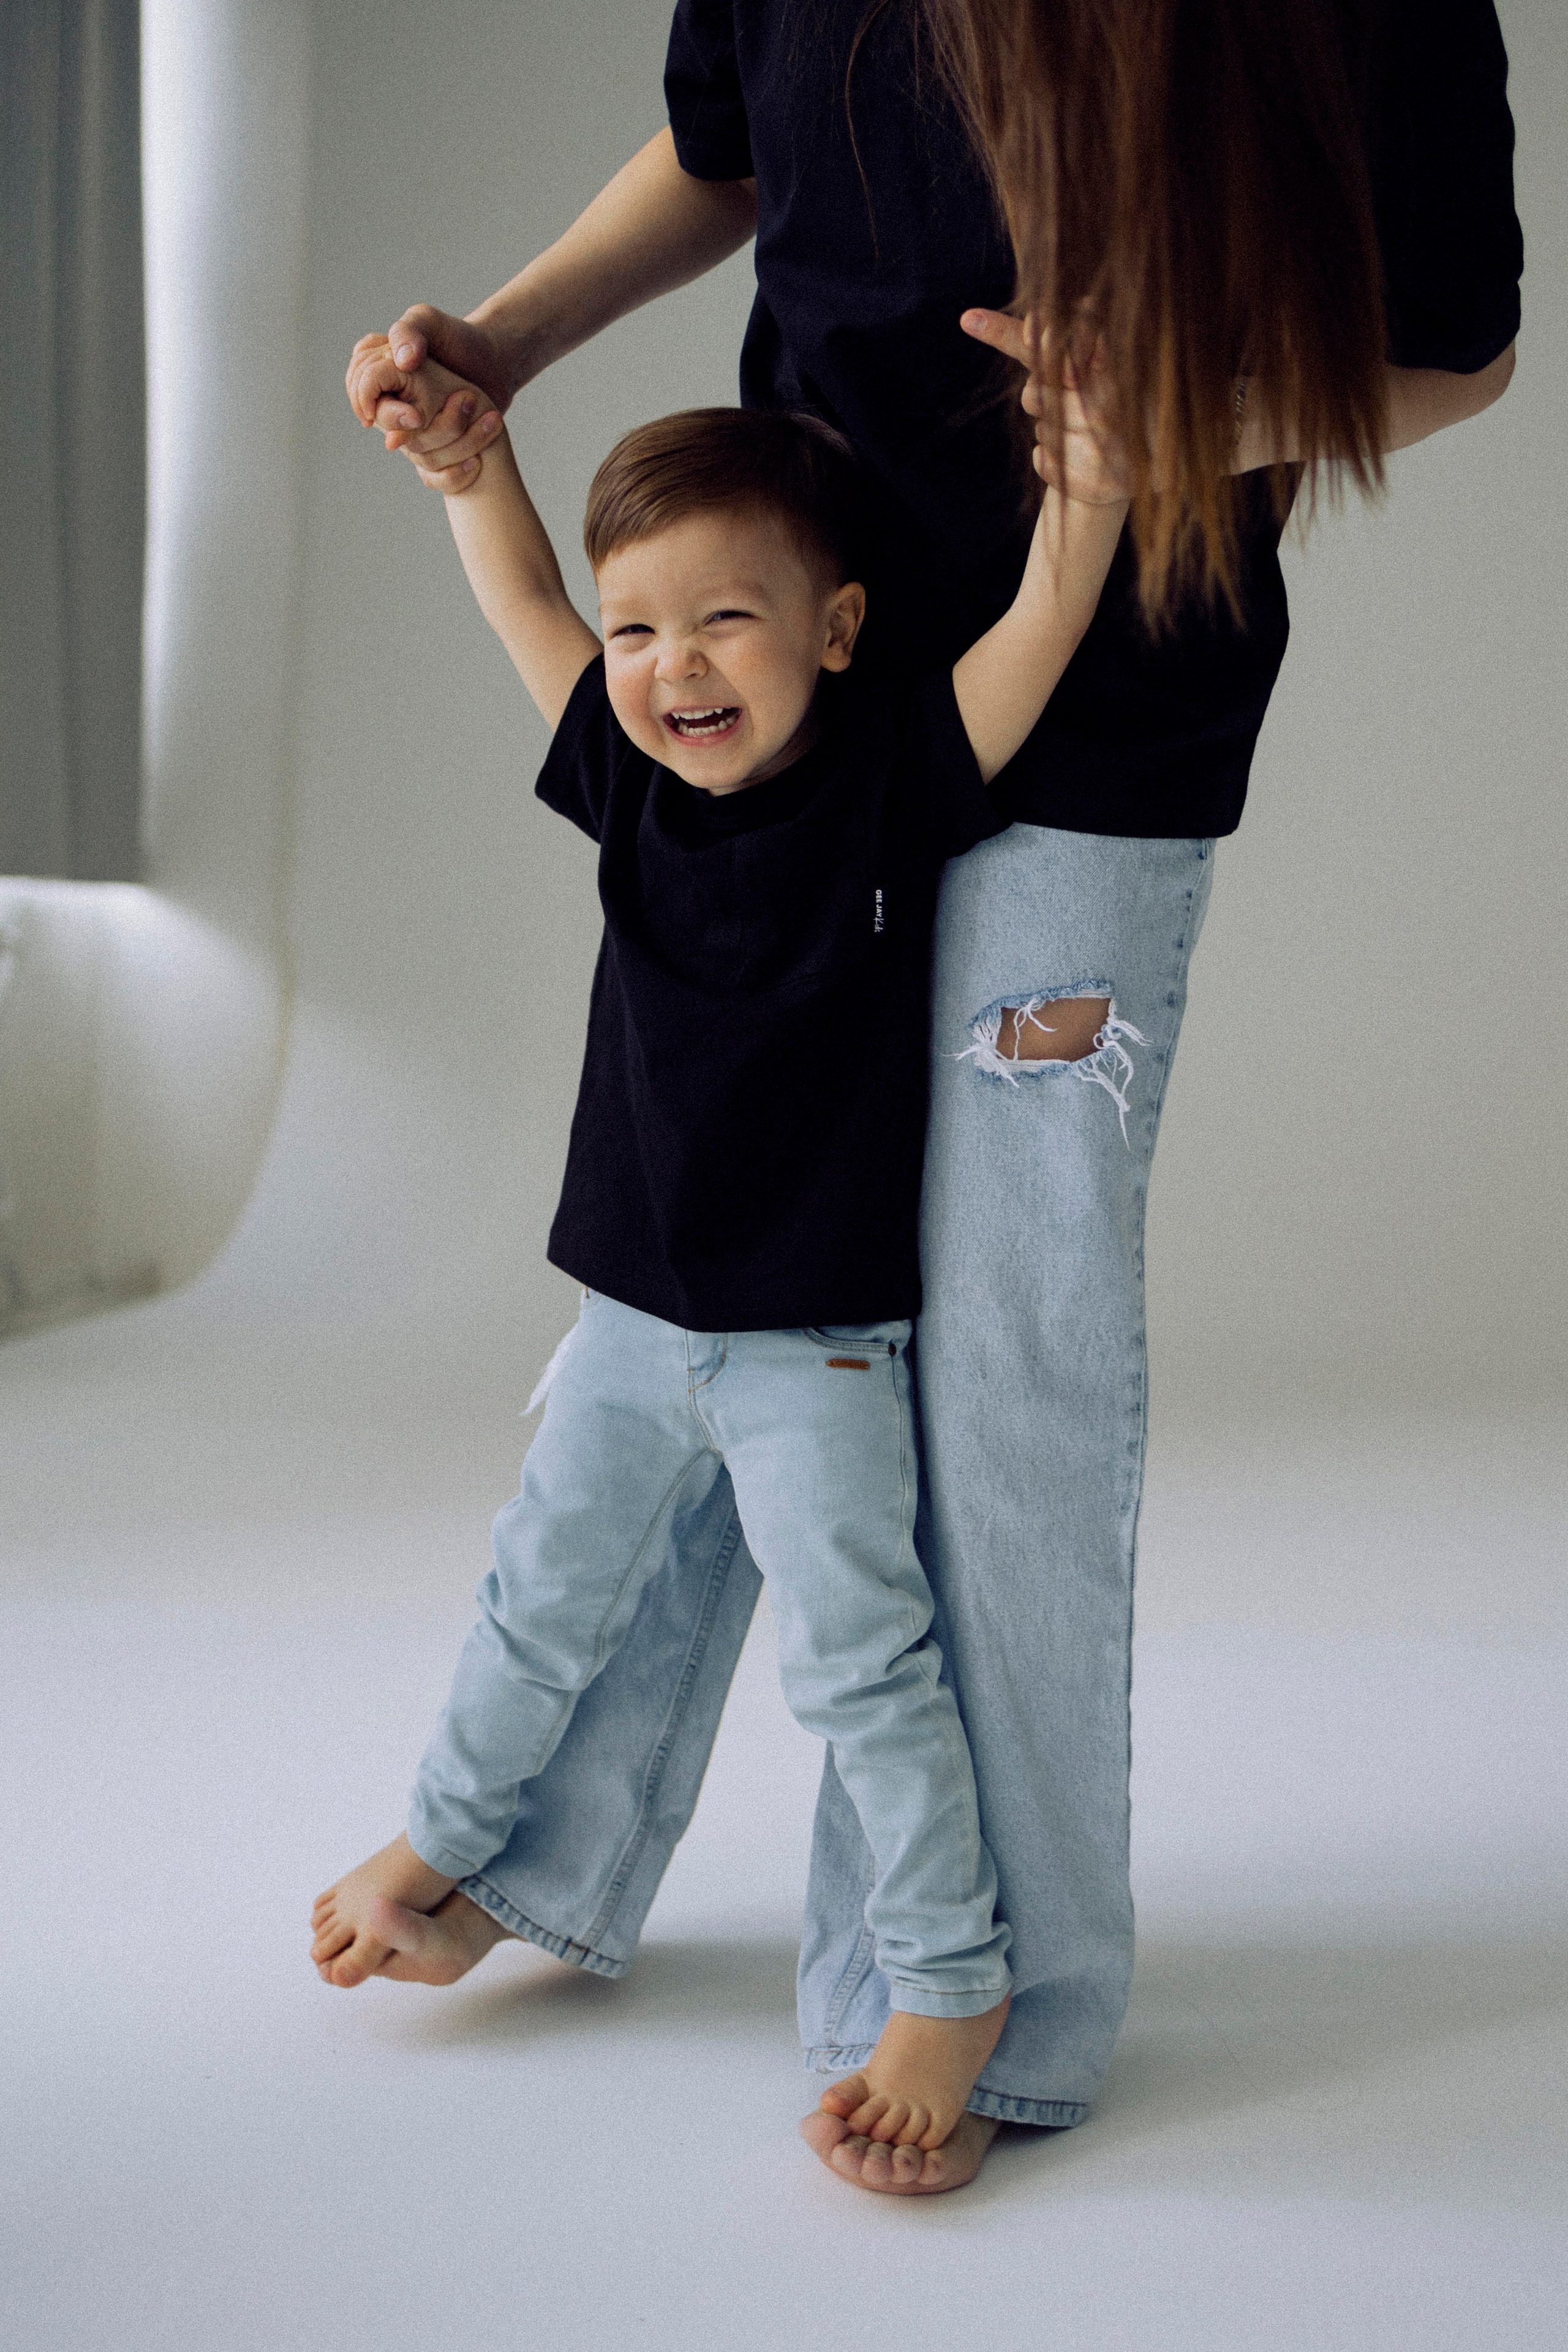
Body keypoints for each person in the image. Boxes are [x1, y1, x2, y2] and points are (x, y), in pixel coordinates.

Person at [342, 0, 1523, 2195]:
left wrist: (1171, 421)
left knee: (1004, 1358)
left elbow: (1459, 336)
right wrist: (497, 351)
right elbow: (725, 151)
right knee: (722, 1293)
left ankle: (988, 1991)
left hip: (1105, 710)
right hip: (796, 683)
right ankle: (535, 1855)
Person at [312, 394, 1134, 2180]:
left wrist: (1091, 496)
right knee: (533, 1606)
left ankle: (950, 1977)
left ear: (834, 633)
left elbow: (1038, 639)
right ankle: (446, 1846)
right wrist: (475, 473)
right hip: (623, 1322)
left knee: (863, 1675)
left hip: (813, 1352)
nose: (670, 665)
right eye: (641, 629)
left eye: (723, 620)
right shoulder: (621, 773)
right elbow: (523, 599)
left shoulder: (887, 776)